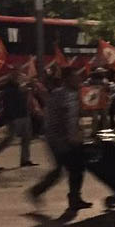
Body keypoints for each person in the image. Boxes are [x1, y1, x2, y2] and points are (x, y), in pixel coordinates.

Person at [28, 67, 91, 210]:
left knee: (73, 168)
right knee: (71, 169)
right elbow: (59, 118)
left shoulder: (74, 94)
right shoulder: (59, 95)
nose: (78, 80)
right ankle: (40, 192)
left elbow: (75, 115)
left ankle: (73, 198)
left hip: (69, 138)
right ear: (67, 79)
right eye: (75, 77)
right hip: (58, 139)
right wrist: (67, 137)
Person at [0, 68, 38, 167]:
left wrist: (30, 87)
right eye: (16, 75)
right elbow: (9, 101)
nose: (19, 77)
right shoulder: (8, 88)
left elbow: (28, 94)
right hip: (14, 116)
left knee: (26, 138)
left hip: (23, 114)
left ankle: (25, 160)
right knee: (10, 138)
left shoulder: (20, 87)